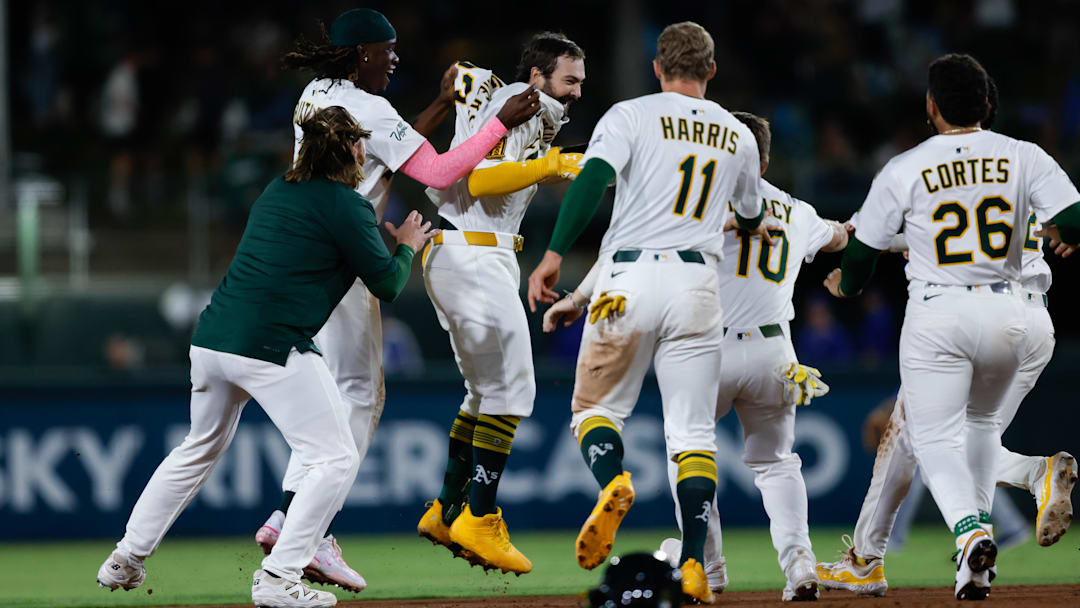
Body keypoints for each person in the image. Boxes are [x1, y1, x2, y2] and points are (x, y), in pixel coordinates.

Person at [96, 106, 438, 608]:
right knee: (337, 456)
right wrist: (407, 246)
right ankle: (279, 577)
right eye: (360, 143)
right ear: (346, 151)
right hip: (271, 345)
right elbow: (386, 283)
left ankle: (126, 557)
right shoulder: (348, 204)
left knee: (197, 448)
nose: (367, 150)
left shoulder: (279, 188)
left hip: (212, 340)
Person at [252, 8, 540, 591]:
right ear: (362, 54)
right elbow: (434, 173)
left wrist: (437, 105)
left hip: (304, 249)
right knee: (359, 392)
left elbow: (390, 140)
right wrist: (499, 124)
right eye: (387, 50)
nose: (394, 58)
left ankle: (291, 517)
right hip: (343, 251)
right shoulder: (368, 107)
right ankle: (304, 526)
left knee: (334, 391)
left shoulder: (317, 91)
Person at [547, 112, 846, 601]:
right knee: (776, 463)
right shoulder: (800, 211)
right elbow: (840, 237)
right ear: (765, 161)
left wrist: (578, 299)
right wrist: (854, 239)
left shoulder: (694, 203)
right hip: (775, 352)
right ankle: (801, 567)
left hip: (705, 347)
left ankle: (705, 565)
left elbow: (629, 250)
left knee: (686, 449)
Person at [527, 22, 771, 604]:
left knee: (594, 410)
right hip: (696, 284)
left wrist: (555, 255)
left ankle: (614, 482)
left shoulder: (630, 114)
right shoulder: (736, 135)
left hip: (628, 277)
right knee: (692, 434)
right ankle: (692, 565)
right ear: (711, 71)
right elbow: (754, 214)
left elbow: (593, 181)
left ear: (658, 68)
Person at [822, 53, 1080, 600]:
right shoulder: (1025, 156)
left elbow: (862, 256)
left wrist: (845, 285)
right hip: (1025, 318)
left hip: (945, 315)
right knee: (976, 431)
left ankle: (969, 532)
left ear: (932, 106)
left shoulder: (907, 166)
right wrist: (1068, 234)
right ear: (988, 104)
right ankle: (978, 557)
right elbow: (1073, 218)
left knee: (932, 435)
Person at [415, 33, 586, 574]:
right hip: (473, 255)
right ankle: (479, 516)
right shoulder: (525, 101)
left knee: (484, 393)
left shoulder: (519, 100)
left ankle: (446, 509)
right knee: (514, 390)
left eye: (581, 80)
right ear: (539, 78)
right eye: (570, 80)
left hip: (465, 252)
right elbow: (485, 178)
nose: (578, 91)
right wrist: (553, 164)